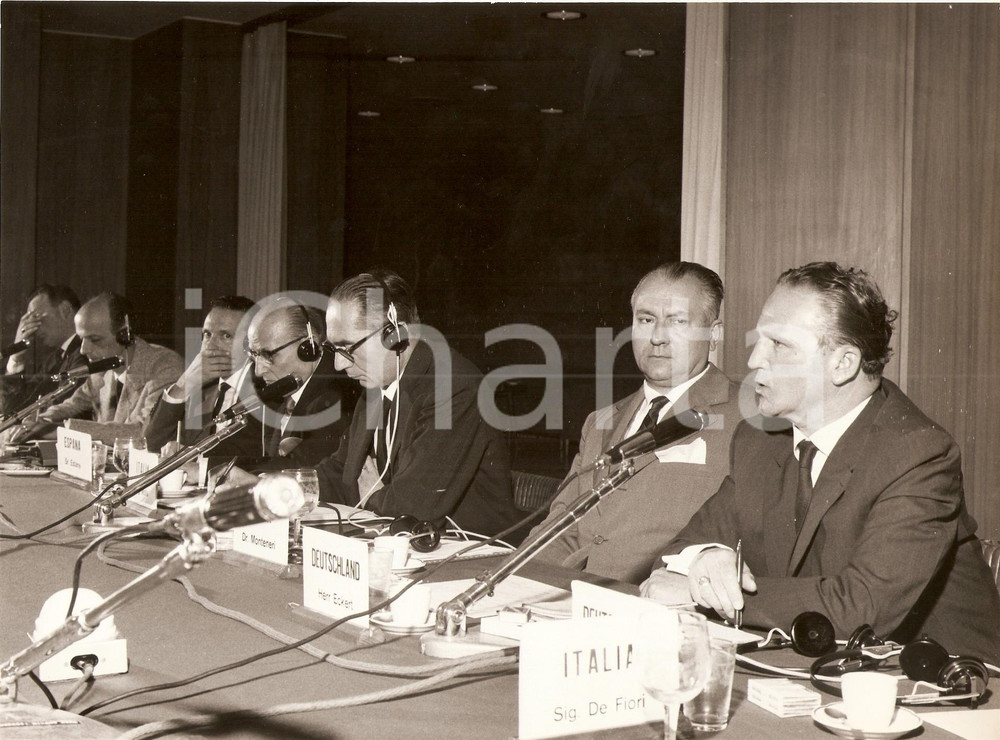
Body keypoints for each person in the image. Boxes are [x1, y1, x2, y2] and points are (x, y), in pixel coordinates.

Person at [642, 262, 1000, 664]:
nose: (755, 359)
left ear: (843, 364)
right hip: (815, 665)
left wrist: (703, 591)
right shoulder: (757, 440)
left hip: (946, 684)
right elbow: (677, 552)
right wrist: (704, 560)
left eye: (779, 345)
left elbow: (861, 607)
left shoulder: (918, 453)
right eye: (760, 340)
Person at [522, 262, 742, 584]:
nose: (657, 338)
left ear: (714, 334)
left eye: (678, 321)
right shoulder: (600, 422)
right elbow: (562, 531)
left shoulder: (751, 419)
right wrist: (508, 585)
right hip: (573, 604)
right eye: (646, 320)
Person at [319, 270, 521, 539]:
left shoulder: (455, 387)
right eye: (334, 350)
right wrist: (270, 488)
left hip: (468, 556)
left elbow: (411, 510)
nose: (338, 364)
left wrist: (369, 494)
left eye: (348, 348)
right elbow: (342, 475)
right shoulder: (376, 384)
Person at [14, 293, 184, 438]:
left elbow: (143, 431)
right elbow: (71, 405)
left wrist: (62, 429)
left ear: (125, 333)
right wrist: (38, 421)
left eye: (95, 340)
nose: (83, 350)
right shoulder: (102, 372)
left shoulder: (165, 367)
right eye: (81, 340)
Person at [235, 298, 358, 466]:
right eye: (254, 356)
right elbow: (245, 449)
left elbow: (302, 468)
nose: (258, 371)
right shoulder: (281, 390)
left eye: (268, 355)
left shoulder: (338, 395)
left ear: (308, 347)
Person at [143, 295, 257, 453]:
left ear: (252, 343)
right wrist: (182, 386)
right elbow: (151, 445)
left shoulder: (267, 391)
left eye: (226, 336)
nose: (210, 346)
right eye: (207, 335)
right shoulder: (199, 389)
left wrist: (196, 458)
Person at [1, 285, 85, 415]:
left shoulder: (85, 352)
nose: (33, 328)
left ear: (65, 310)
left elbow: (63, 410)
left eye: (37, 317)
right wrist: (16, 357)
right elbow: (11, 408)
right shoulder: (53, 359)